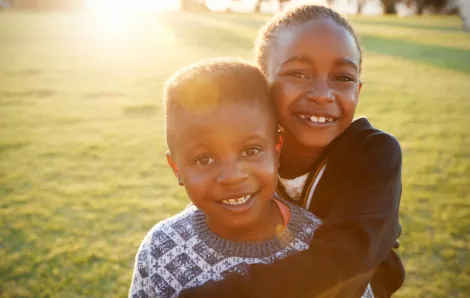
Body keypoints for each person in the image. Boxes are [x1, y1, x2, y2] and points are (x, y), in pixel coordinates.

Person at [179, 5, 404, 298]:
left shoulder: (374, 154)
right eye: (298, 74)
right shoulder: (247, 151)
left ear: (358, 92)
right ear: (261, 85)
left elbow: (344, 265)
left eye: (343, 78)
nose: (323, 94)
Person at [128, 59, 376, 298]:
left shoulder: (320, 250)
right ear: (176, 169)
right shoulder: (161, 247)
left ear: (276, 149)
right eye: (204, 159)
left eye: (251, 151)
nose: (232, 177)